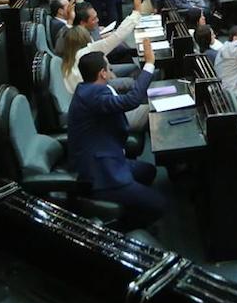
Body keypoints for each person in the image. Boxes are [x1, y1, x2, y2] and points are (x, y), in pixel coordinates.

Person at [68, 40, 165, 230]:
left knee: (148, 171)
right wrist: (149, 64)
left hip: (109, 154)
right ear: (102, 73)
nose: (110, 68)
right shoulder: (93, 95)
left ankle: (130, 205)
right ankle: (119, 229)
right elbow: (132, 100)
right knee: (160, 205)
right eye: (108, 66)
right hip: (101, 172)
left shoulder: (87, 88)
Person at [61, 0, 144, 95]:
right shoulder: (84, 51)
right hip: (97, 87)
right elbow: (117, 36)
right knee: (131, 83)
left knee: (133, 69)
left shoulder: (73, 42)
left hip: (102, 73)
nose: (97, 20)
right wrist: (136, 13)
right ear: (83, 24)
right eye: (93, 19)